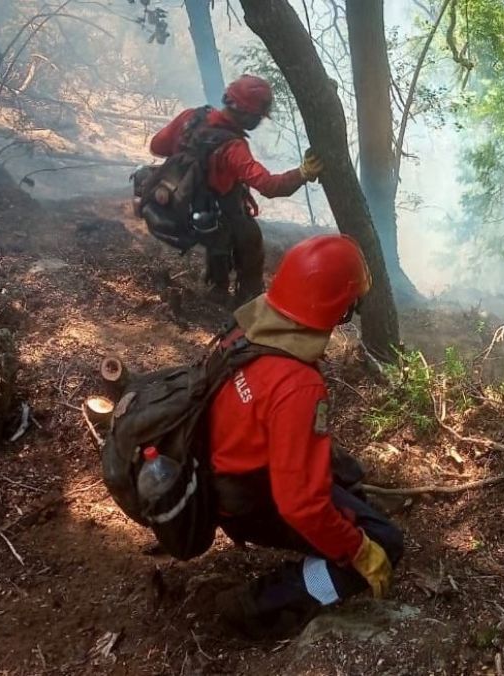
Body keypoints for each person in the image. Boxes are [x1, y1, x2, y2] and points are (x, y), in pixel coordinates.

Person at [207, 234, 403, 639]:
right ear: (337, 307)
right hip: (249, 498)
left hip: (222, 472)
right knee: (385, 541)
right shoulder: (298, 385)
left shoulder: (248, 329)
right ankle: (261, 603)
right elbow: (300, 505)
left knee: (345, 472)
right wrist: (360, 551)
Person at [149, 74, 324, 305]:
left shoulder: (191, 117)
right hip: (211, 217)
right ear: (247, 114)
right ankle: (247, 296)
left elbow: (156, 146)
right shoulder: (234, 148)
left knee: (221, 224)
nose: (260, 121)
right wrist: (303, 173)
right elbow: (269, 186)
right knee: (249, 237)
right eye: (258, 116)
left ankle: (218, 286)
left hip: (179, 207)